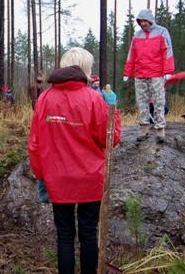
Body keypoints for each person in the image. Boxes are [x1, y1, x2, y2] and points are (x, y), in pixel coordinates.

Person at [28, 47, 121, 274]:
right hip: (89, 178)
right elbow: (110, 139)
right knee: (88, 233)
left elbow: (34, 143)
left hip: (57, 179)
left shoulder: (44, 99)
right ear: (85, 69)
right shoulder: (94, 99)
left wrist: (42, 176)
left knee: (65, 234)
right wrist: (114, 114)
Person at [123, 9, 174, 143]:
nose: (143, 23)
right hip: (140, 73)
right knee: (142, 101)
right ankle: (144, 127)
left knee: (159, 101)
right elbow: (131, 54)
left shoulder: (162, 32)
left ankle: (160, 129)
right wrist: (127, 72)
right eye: (141, 21)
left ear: (151, 20)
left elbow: (167, 51)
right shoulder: (137, 35)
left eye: (145, 20)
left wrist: (168, 71)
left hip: (156, 73)